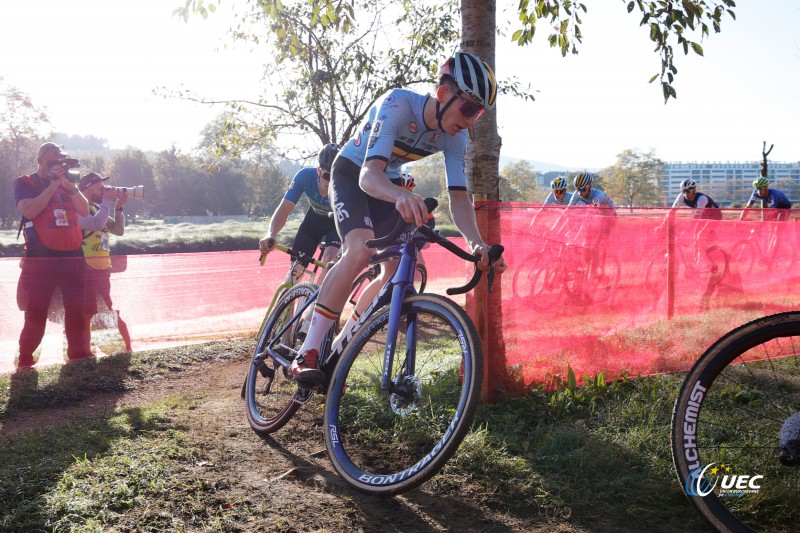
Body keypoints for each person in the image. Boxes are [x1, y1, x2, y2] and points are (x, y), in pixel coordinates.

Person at [290, 51, 507, 384]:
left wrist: (477, 243)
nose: (471, 120)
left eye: (478, 112)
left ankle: (339, 345)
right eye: (468, 108)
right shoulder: (399, 105)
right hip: (353, 172)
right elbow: (367, 177)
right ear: (444, 93)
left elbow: (459, 197)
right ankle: (309, 349)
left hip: (387, 179)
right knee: (360, 250)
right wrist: (401, 195)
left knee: (393, 270)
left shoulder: (455, 136)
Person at [13, 142, 91, 368]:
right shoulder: (26, 182)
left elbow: (85, 210)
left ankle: (77, 354)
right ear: (39, 160)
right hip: (41, 259)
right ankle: (26, 357)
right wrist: (52, 185)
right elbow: (28, 210)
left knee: (76, 309)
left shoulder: (69, 183)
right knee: (37, 310)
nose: (57, 165)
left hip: (73, 257)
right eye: (52, 161)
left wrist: (69, 186)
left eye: (60, 161)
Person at [259, 144, 342, 284]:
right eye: (328, 176)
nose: (331, 182)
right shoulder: (305, 176)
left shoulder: (343, 186)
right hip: (313, 221)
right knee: (295, 273)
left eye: (336, 177)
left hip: (336, 224)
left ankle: (318, 301)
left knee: (329, 264)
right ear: (318, 171)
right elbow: (284, 208)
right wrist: (271, 234)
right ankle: (288, 303)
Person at [77, 172, 132, 354]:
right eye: (100, 188)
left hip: (102, 270)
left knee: (112, 308)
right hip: (86, 269)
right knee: (87, 313)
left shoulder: (97, 209)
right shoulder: (79, 209)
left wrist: (119, 207)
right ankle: (84, 352)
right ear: (88, 188)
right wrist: (108, 203)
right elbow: (96, 224)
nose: (104, 191)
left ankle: (128, 348)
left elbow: (118, 230)